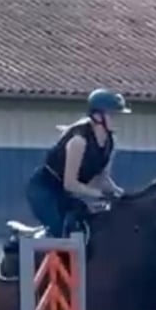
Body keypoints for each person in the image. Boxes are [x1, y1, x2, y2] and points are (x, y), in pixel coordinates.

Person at [26, 88, 131, 236]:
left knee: (87, 223)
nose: (118, 119)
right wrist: (99, 194)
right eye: (113, 115)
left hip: (64, 194)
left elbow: (102, 179)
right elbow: (70, 184)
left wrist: (120, 193)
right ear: (97, 116)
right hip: (43, 191)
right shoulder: (79, 141)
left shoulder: (110, 142)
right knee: (61, 231)